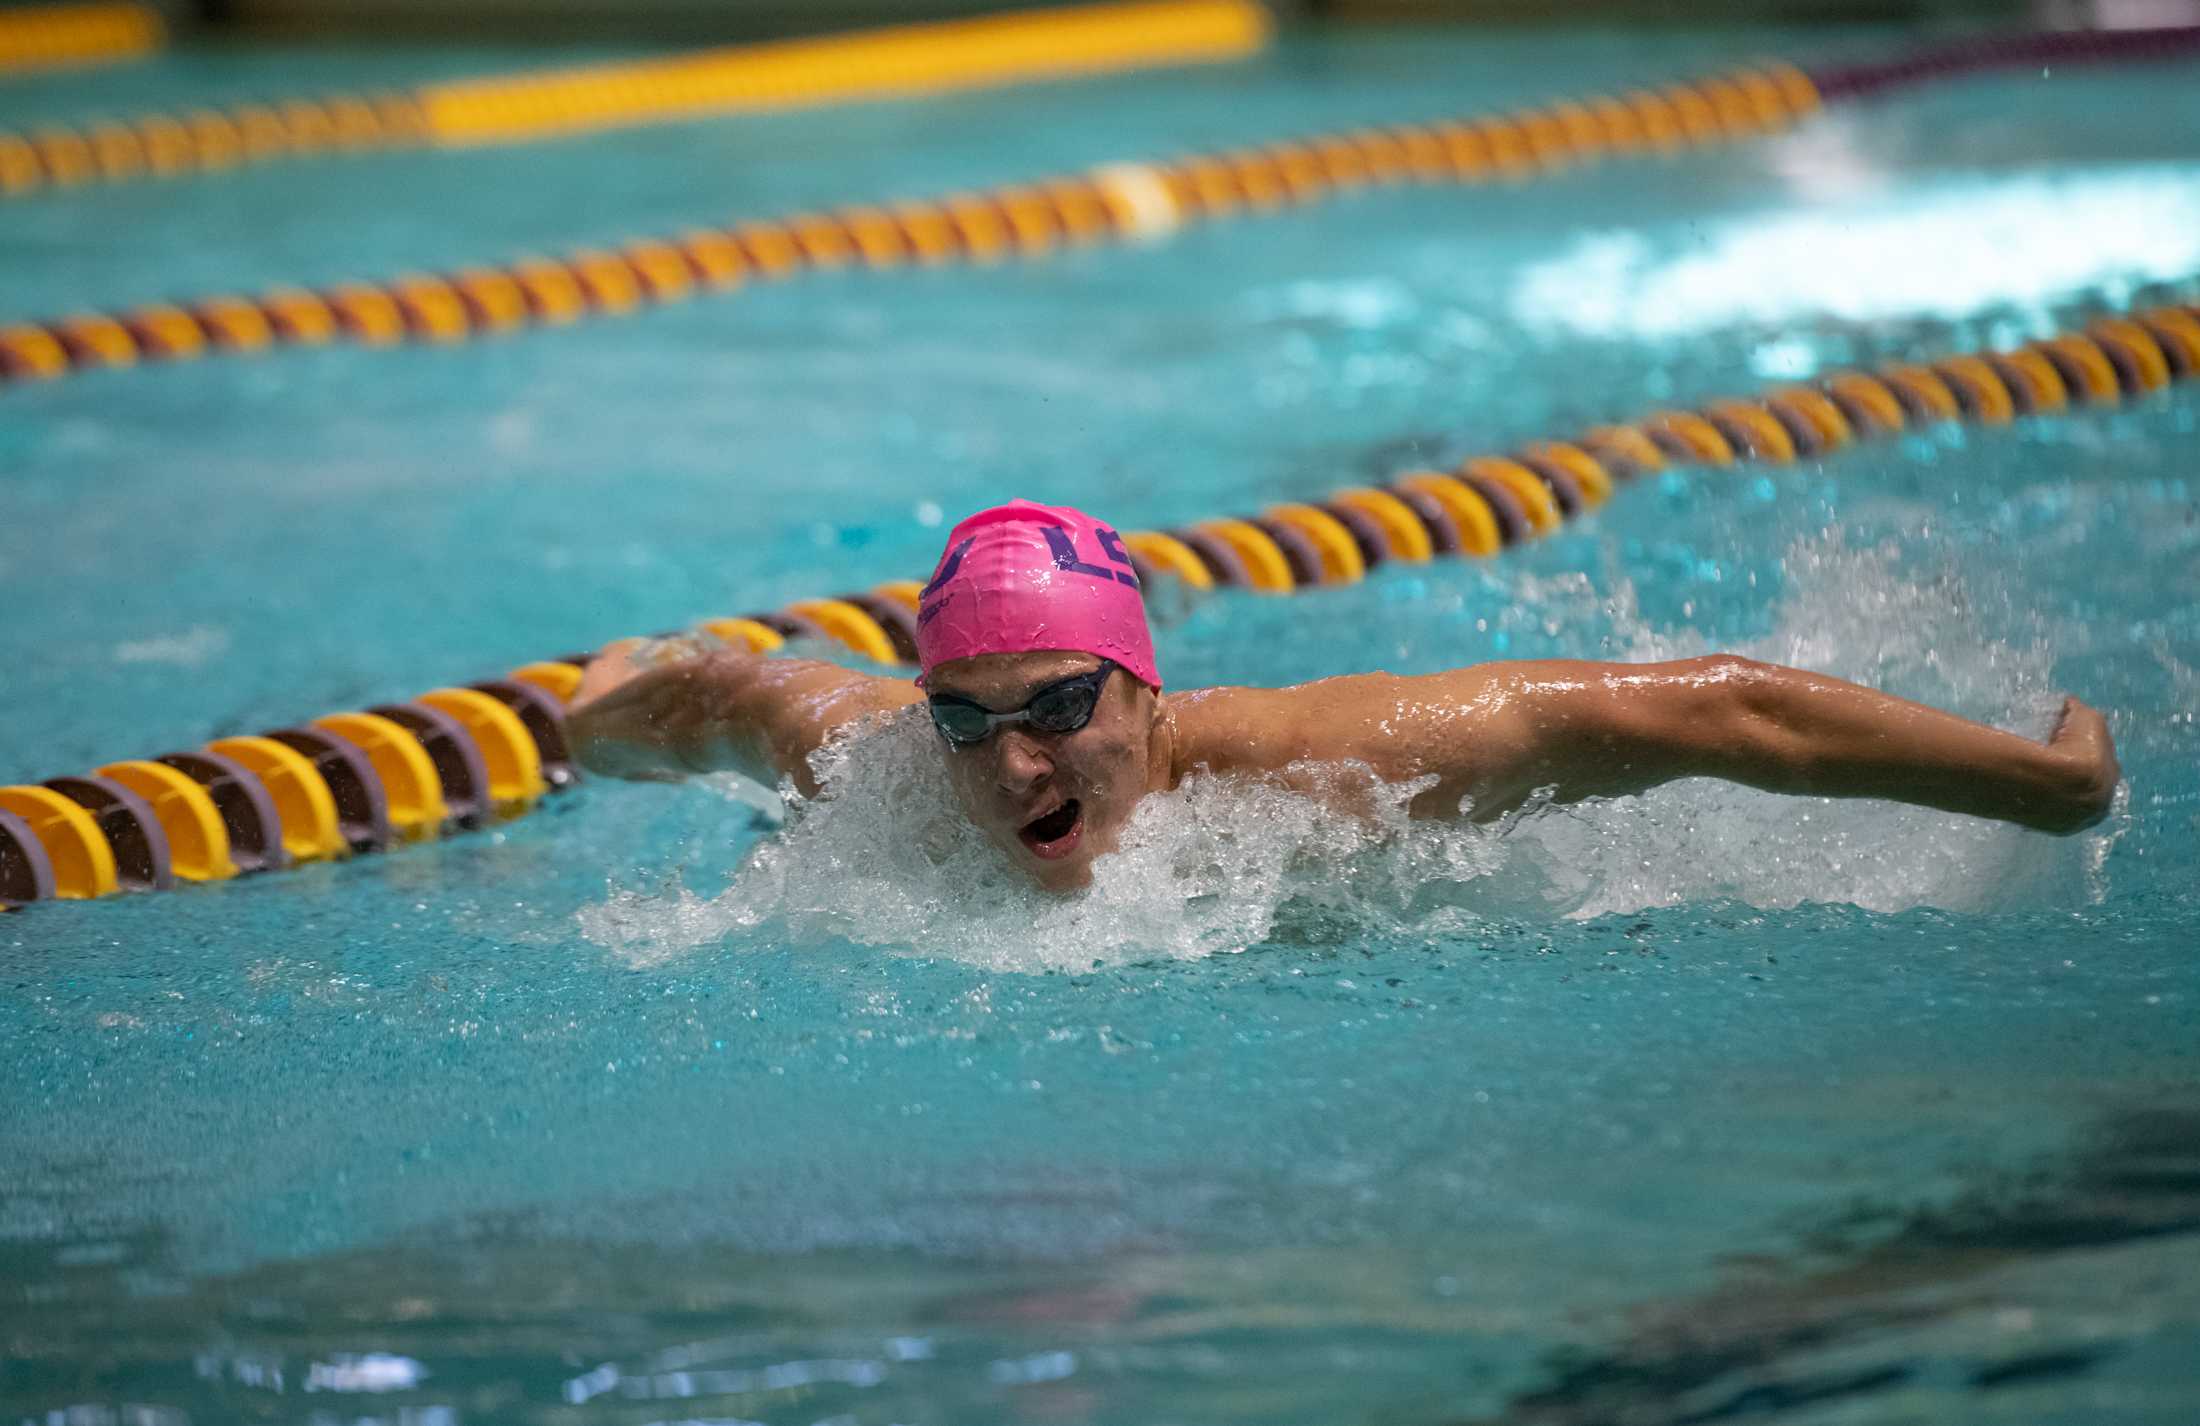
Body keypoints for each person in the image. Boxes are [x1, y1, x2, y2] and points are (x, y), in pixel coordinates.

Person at [567, 500, 2120, 893]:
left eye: (1053, 703)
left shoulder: (1323, 767)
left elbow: (1715, 713)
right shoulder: (899, 762)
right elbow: (738, 699)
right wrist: (596, 707)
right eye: (967, 717)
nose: (1007, 761)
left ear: (1145, 682)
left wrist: (2045, 784)